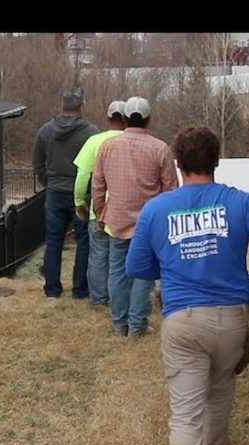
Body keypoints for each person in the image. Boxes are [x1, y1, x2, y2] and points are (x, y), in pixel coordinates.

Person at [126, 126, 249, 445]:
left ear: (178, 163)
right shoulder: (240, 201)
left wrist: (172, 266)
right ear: (216, 161)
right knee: (220, 389)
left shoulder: (156, 209)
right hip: (231, 318)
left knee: (186, 410)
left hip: (183, 319)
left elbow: (136, 266)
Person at [92, 96, 178, 337]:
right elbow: (171, 191)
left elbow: (97, 185)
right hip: (150, 225)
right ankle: (137, 325)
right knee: (144, 275)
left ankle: (120, 324)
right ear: (148, 119)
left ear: (125, 118)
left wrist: (101, 214)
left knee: (117, 272)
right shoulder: (160, 148)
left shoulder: (107, 147)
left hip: (116, 220)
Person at [32, 88, 99, 299]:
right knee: (83, 241)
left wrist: (48, 181)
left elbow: (37, 162)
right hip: (81, 194)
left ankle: (52, 289)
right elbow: (99, 165)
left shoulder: (45, 131)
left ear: (62, 106)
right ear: (82, 107)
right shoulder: (91, 133)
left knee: (53, 241)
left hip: (54, 192)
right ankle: (80, 289)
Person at [72, 100, 127, 307]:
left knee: (97, 257)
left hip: (99, 210)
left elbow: (82, 176)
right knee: (120, 259)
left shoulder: (95, 141)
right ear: (127, 118)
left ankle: (98, 298)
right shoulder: (135, 142)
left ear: (108, 118)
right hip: (126, 212)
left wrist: (79, 201)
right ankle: (120, 298)